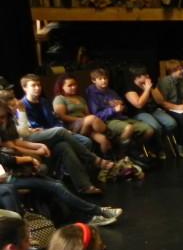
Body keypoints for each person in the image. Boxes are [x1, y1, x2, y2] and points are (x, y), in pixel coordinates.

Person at [0, 99, 122, 228]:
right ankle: (95, 213)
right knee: (56, 186)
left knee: (58, 181)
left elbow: (11, 148)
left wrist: (36, 148)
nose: (1, 120)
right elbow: (5, 157)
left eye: (2, 117)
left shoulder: (3, 128)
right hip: (8, 178)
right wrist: (28, 159)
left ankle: (94, 213)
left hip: (13, 172)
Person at [21, 74, 108, 194]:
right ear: (25, 88)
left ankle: (84, 186)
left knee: (79, 142)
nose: (37, 88)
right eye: (33, 86)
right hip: (37, 137)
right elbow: (30, 127)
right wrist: (59, 129)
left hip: (54, 133)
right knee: (61, 131)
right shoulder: (22, 105)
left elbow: (55, 121)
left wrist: (63, 129)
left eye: (39, 85)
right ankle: (94, 159)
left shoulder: (44, 102)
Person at [86, 68, 157, 163]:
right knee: (128, 128)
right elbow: (96, 115)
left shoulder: (111, 91)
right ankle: (121, 155)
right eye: (100, 79)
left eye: (105, 78)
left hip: (122, 118)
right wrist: (113, 110)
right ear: (94, 80)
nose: (104, 81)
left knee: (149, 130)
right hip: (108, 121)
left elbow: (124, 107)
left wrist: (121, 105)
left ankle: (133, 149)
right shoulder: (92, 94)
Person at [124, 67, 180, 159]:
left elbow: (160, 101)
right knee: (156, 127)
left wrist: (151, 89)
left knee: (171, 123)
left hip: (153, 110)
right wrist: (146, 90)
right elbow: (139, 105)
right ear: (137, 77)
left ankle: (166, 143)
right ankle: (158, 148)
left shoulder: (150, 85)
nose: (148, 76)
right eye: (145, 75)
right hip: (140, 113)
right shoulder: (130, 89)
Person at [51, 75, 113, 156]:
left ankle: (106, 160)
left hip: (87, 124)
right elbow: (62, 116)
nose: (74, 87)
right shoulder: (59, 98)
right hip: (71, 126)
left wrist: (86, 120)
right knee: (91, 118)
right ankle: (109, 133)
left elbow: (87, 114)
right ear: (62, 87)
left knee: (103, 140)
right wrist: (81, 120)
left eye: (75, 84)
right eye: (70, 85)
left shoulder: (80, 98)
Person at [155, 60, 183, 154]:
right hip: (169, 108)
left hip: (182, 108)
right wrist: (176, 107)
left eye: (182, 68)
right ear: (172, 71)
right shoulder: (165, 82)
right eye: (180, 69)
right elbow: (162, 102)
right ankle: (181, 145)